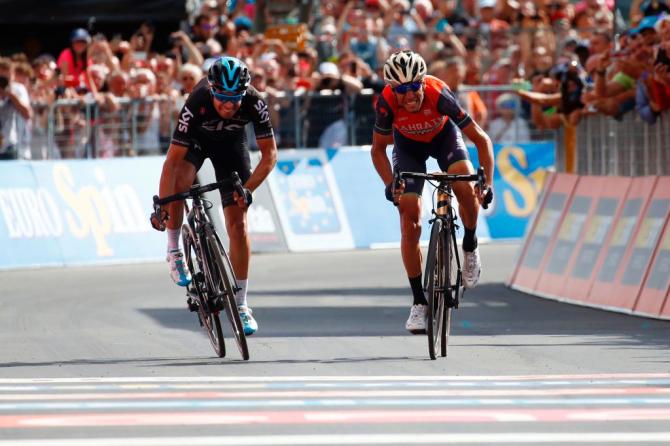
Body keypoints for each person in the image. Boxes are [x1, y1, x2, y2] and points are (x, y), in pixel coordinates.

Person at [151, 56, 278, 335]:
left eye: (235, 99)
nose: (229, 105)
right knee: (180, 182)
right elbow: (171, 163)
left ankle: (242, 304)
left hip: (231, 148)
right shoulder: (197, 100)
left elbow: (270, 155)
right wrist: (163, 204)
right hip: (195, 142)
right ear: (212, 90)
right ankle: (174, 250)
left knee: (238, 223)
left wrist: (247, 190)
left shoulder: (255, 101)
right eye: (222, 98)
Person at [370, 50, 493, 333]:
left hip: (444, 138)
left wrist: (486, 184)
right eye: (402, 90)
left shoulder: (439, 95)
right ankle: (419, 302)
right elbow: (377, 149)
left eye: (415, 87)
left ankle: (470, 245)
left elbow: (482, 140)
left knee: (463, 184)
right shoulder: (387, 103)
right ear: (392, 89)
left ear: (424, 83)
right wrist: (390, 185)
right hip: (408, 147)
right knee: (409, 217)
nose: (410, 95)